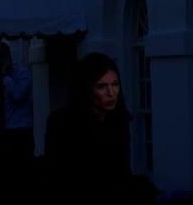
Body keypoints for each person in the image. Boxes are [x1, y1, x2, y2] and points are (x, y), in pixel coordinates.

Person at [44, 52, 138, 202]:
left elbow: (122, 172)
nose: (111, 93)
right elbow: (57, 177)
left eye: (115, 84)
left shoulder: (119, 120)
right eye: (101, 86)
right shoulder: (61, 123)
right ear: (86, 89)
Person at [0, 39, 34, 192]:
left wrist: (5, 76)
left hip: (20, 132)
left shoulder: (22, 75)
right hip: (0, 135)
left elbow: (18, 94)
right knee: (1, 179)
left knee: (20, 178)